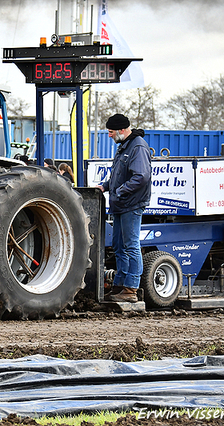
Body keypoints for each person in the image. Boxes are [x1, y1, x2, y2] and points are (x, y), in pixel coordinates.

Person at [98, 113, 152, 303]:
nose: (109, 135)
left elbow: (141, 176)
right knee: (119, 246)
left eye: (111, 132)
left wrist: (119, 190)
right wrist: (105, 186)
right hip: (121, 204)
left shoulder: (137, 147)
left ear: (122, 130)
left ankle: (131, 289)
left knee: (131, 246)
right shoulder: (125, 146)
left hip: (131, 204)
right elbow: (119, 175)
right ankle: (120, 286)